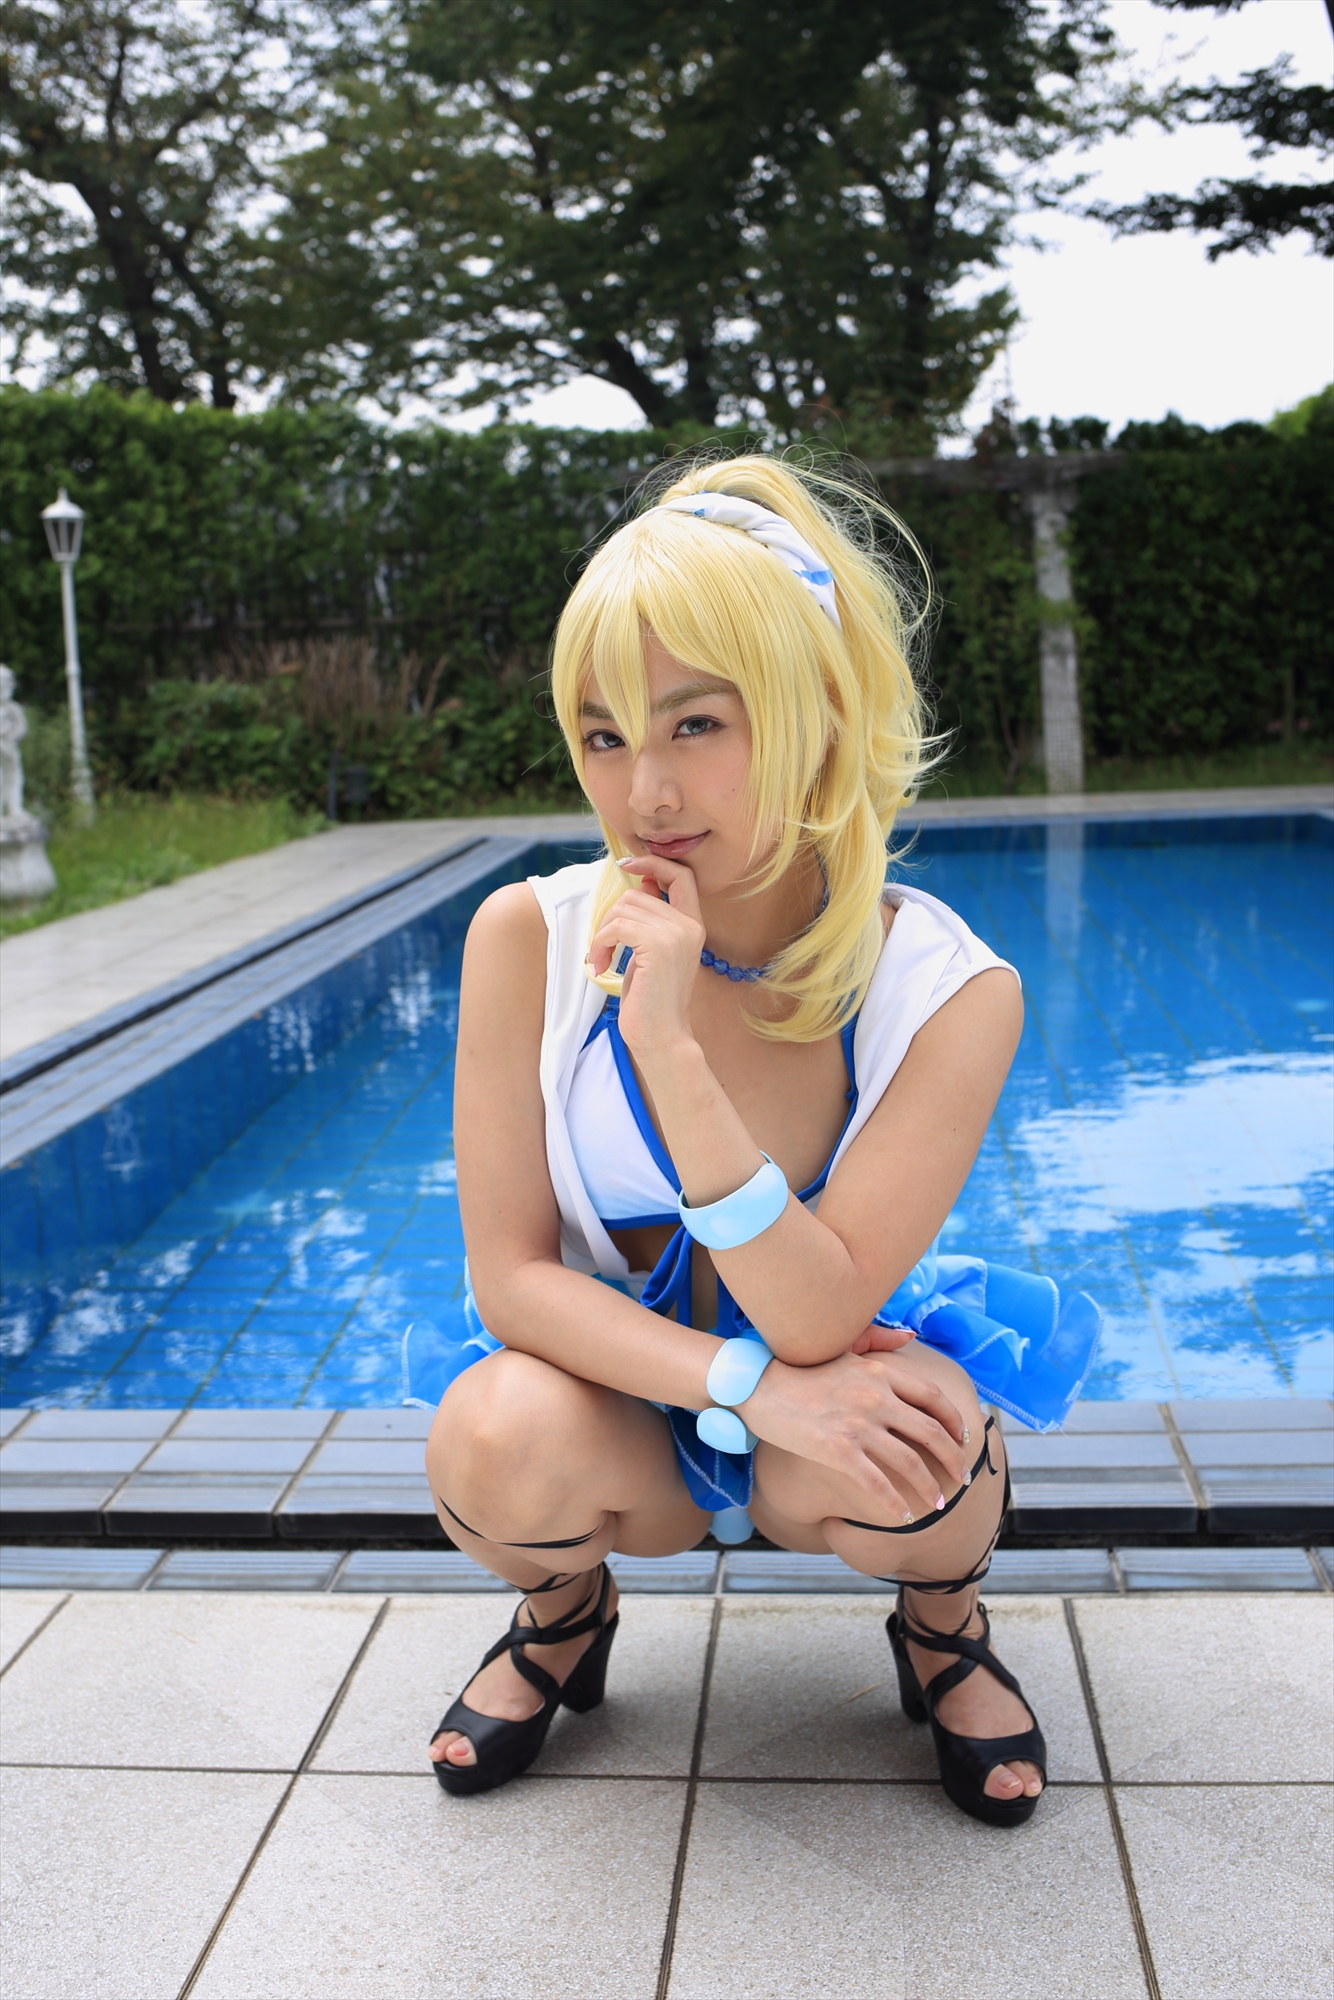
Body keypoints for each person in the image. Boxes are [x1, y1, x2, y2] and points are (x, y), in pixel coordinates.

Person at [422, 456, 1100, 1828]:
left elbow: (819, 1312)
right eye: (602, 735)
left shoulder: (946, 989)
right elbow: (513, 1283)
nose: (645, 791)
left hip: (829, 1401)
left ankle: (942, 1627)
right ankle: (563, 1615)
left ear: (811, 716)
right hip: (621, 1395)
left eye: (696, 724)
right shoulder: (527, 941)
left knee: (932, 1447)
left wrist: (669, 1048)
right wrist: (746, 1388)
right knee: (487, 1435)